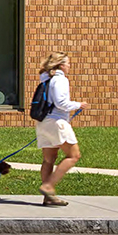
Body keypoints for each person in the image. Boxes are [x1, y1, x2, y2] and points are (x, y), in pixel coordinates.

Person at [34, 50, 85, 206]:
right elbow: (61, 103)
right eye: (68, 63)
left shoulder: (46, 79)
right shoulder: (60, 80)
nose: (69, 66)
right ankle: (48, 186)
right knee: (74, 156)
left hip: (43, 122)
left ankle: (48, 198)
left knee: (49, 159)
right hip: (57, 122)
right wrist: (78, 104)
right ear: (61, 65)